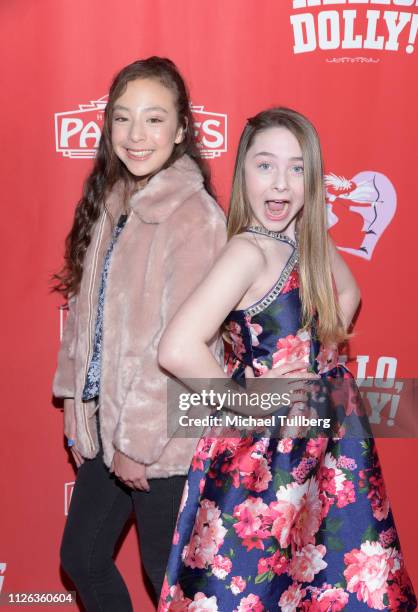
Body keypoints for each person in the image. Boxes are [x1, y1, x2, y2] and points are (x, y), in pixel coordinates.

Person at [157, 108, 417, 610]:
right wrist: (247, 404)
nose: (281, 183)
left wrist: (315, 354)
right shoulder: (248, 252)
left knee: (327, 588)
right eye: (265, 165)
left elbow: (348, 293)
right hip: (266, 460)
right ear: (243, 173)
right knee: (255, 588)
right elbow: (177, 347)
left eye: (297, 168)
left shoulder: (303, 239)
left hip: (326, 447)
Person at [52, 56, 226, 611]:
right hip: (109, 425)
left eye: (154, 120)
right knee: (82, 557)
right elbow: (85, 320)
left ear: (180, 131)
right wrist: (77, 407)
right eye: (123, 118)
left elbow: (178, 345)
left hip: (164, 437)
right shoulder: (112, 201)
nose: (136, 134)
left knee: (167, 578)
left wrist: (137, 445)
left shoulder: (193, 215)